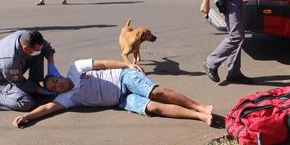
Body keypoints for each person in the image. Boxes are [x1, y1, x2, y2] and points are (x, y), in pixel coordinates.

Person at [11, 59, 214, 127]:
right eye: (53, 88)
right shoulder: (67, 98)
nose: (58, 86)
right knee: (153, 108)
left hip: (123, 78)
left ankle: (200, 106)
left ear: (58, 75)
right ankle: (198, 116)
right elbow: (48, 107)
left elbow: (103, 63)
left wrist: (127, 64)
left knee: (156, 93)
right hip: (121, 100)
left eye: (55, 81)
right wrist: (28, 116)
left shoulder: (76, 68)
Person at [0, 30, 61, 111]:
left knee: (38, 53)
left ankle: (34, 83)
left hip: (9, 69)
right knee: (26, 102)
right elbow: (19, 82)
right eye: (36, 50)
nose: (38, 50)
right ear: (26, 48)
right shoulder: (10, 61)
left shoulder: (29, 37)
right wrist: (40, 90)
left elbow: (46, 48)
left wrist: (51, 65)